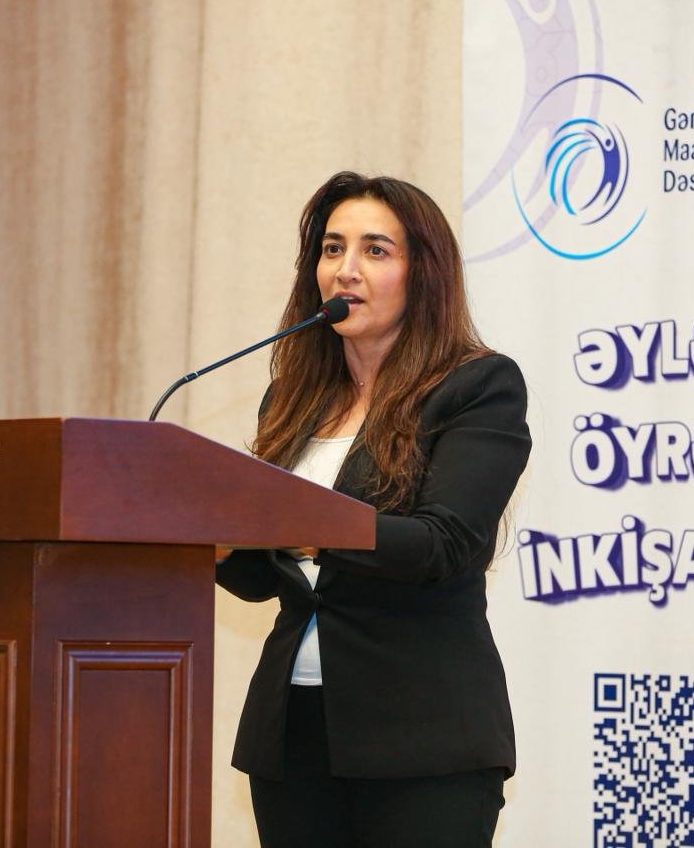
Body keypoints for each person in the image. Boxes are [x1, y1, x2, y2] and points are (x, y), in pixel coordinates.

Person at [216, 171, 531, 847]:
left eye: (375, 250)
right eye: (332, 249)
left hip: (423, 734)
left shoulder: (477, 387)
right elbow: (264, 577)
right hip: (294, 732)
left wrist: (305, 523)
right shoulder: (292, 401)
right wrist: (211, 542)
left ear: (425, 275)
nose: (346, 270)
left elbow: (443, 544)